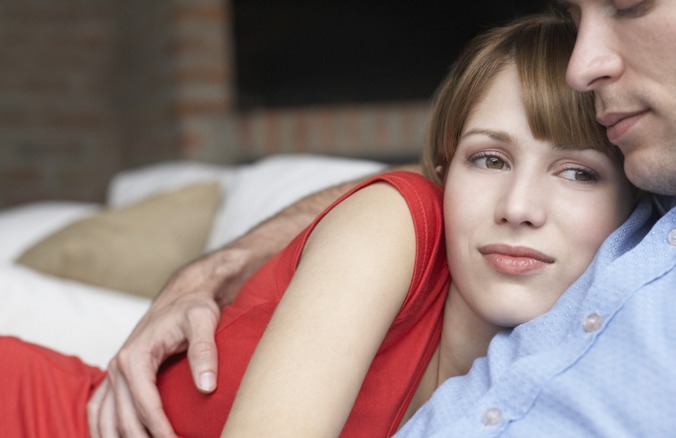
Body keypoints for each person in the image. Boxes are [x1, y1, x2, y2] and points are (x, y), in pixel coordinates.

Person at [92, 0, 676, 435]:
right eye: (487, 162)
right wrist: (221, 264)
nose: (583, 66)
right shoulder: (674, 165)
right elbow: (407, 198)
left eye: (577, 172)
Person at [1, 14, 639, 437]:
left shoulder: (622, 355)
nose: (518, 205)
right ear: (450, 168)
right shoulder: (400, 222)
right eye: (489, 159)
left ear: (637, 203)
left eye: (578, 172)